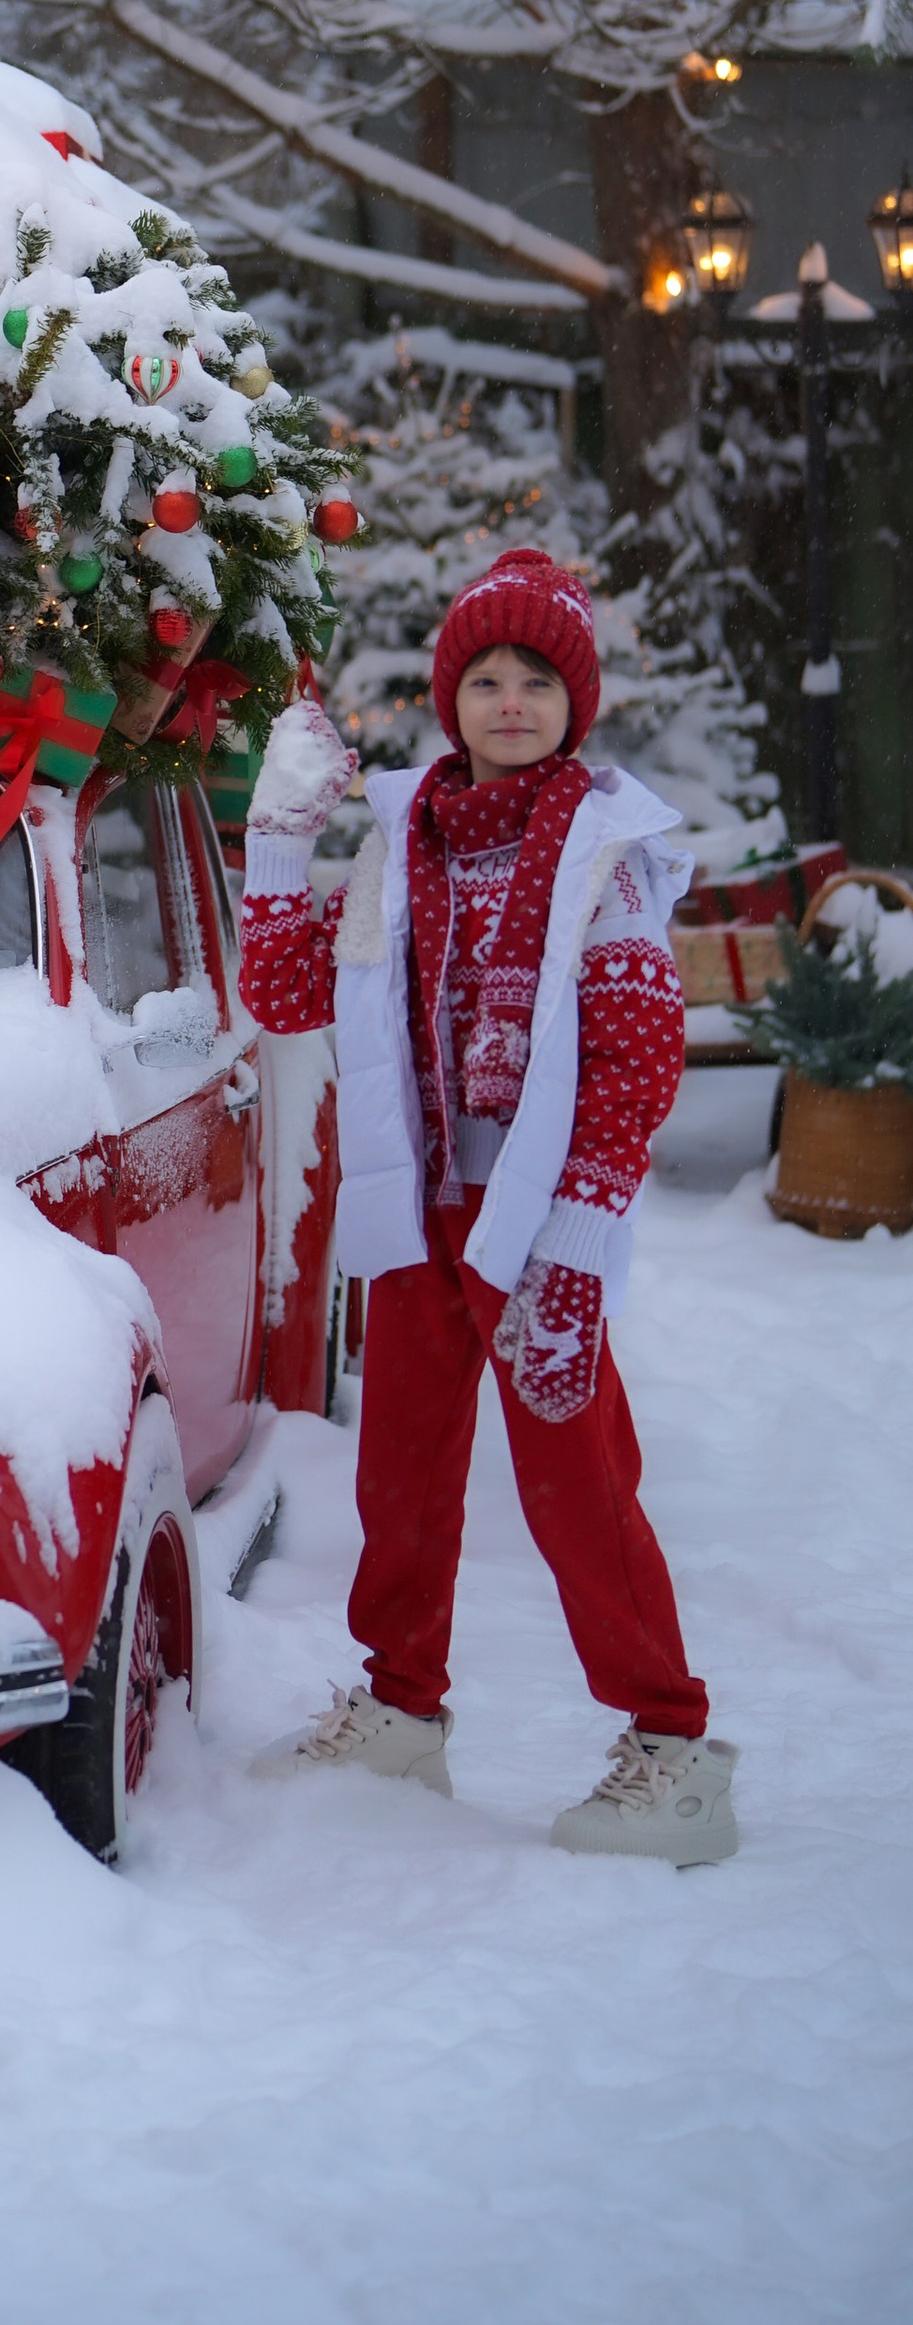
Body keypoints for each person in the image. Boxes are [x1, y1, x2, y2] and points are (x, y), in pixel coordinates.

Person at [239, 547, 738, 1864]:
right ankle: (403, 1711)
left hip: (533, 1224)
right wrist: (280, 834)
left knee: (577, 1481)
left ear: (576, 704)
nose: (508, 701)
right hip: (420, 1210)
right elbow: (288, 992)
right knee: (400, 1473)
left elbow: (637, 1052)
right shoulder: (401, 846)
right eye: (484, 678)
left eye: (536, 679)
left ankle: (675, 1749)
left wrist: (579, 1235)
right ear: (448, 698)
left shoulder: (608, 858)